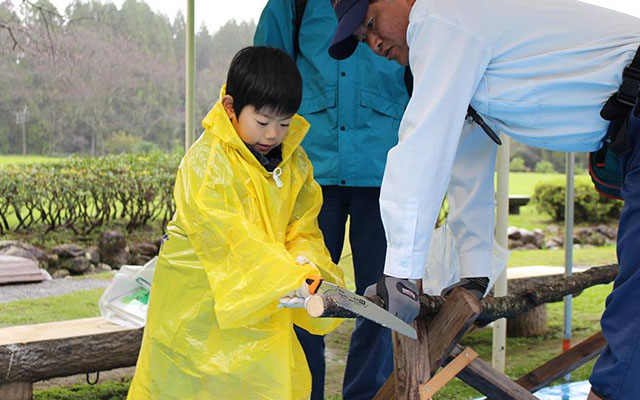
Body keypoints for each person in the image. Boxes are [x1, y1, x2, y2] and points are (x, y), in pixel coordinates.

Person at [328, 0, 640, 398]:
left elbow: (423, 145)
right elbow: (467, 160)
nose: (374, 42)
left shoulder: (440, 16)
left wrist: (401, 272)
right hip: (631, 128)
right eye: (362, 37)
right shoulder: (457, 41)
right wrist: (474, 276)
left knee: (636, 298)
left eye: (371, 22)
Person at [126, 46, 345, 400]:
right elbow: (232, 241)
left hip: (263, 299)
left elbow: (301, 227)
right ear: (230, 108)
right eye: (262, 122)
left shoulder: (293, 162)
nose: (274, 134)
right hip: (198, 310)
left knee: (262, 385)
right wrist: (289, 275)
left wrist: (307, 262)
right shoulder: (208, 164)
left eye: (285, 122)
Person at [254, 2, 410, 399]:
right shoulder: (293, 3)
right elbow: (264, 71)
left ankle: (369, 395)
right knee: (302, 294)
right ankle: (303, 393)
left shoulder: (398, 4)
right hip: (310, 172)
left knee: (382, 299)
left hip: (386, 169)